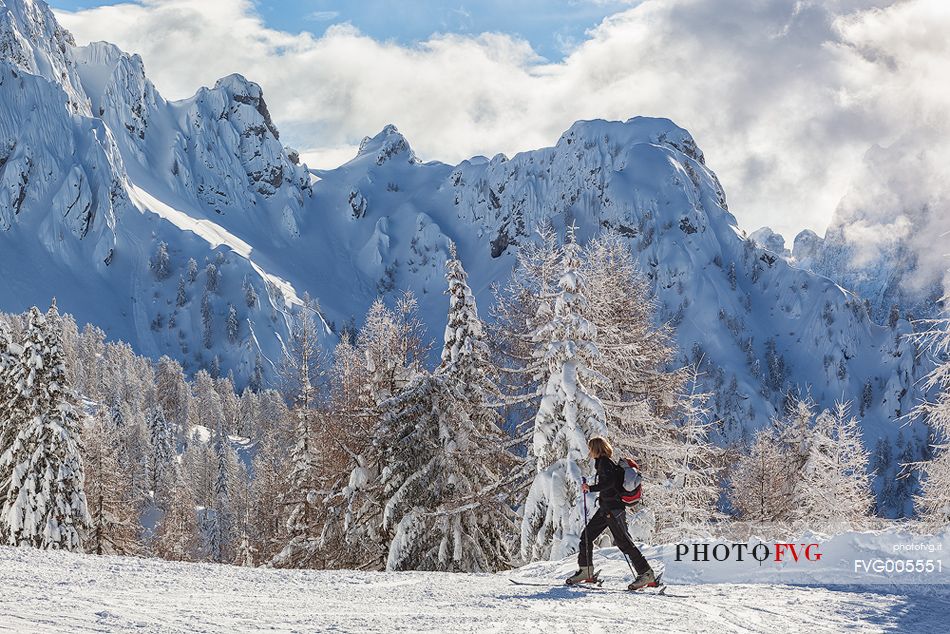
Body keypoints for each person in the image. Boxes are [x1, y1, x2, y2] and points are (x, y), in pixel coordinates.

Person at [565, 437, 657, 590]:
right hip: (606, 509)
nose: (589, 452)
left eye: (590, 449)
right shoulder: (604, 463)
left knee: (624, 543)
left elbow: (609, 483)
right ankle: (585, 571)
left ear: (595, 449)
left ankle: (646, 574)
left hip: (612, 510)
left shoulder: (605, 463)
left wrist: (590, 488)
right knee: (586, 536)